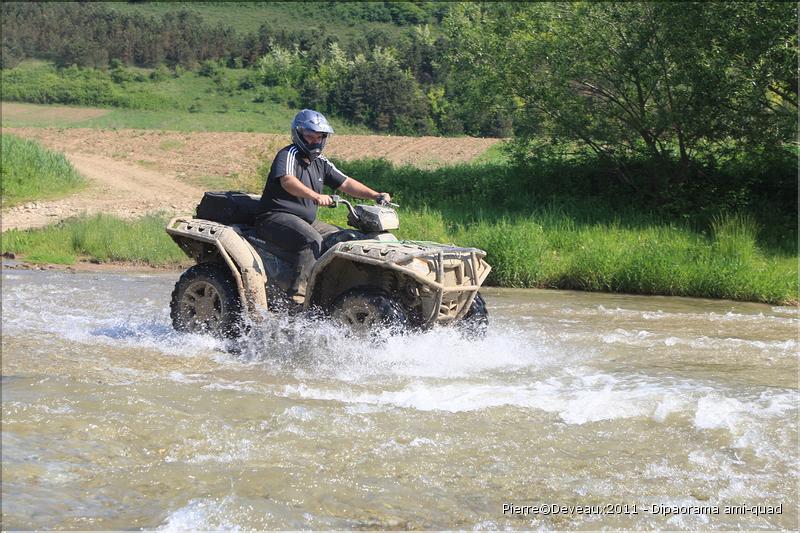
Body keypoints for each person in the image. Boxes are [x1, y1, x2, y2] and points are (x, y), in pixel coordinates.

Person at [256, 109, 391, 302]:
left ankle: (337, 289)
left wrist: (375, 195)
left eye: (319, 137)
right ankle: (299, 298)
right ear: (298, 134)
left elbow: (346, 183)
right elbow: (287, 181)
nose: (315, 141)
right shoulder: (288, 154)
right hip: (275, 217)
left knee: (345, 238)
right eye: (310, 136)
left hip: (307, 220)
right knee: (311, 240)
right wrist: (316, 196)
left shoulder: (321, 162)